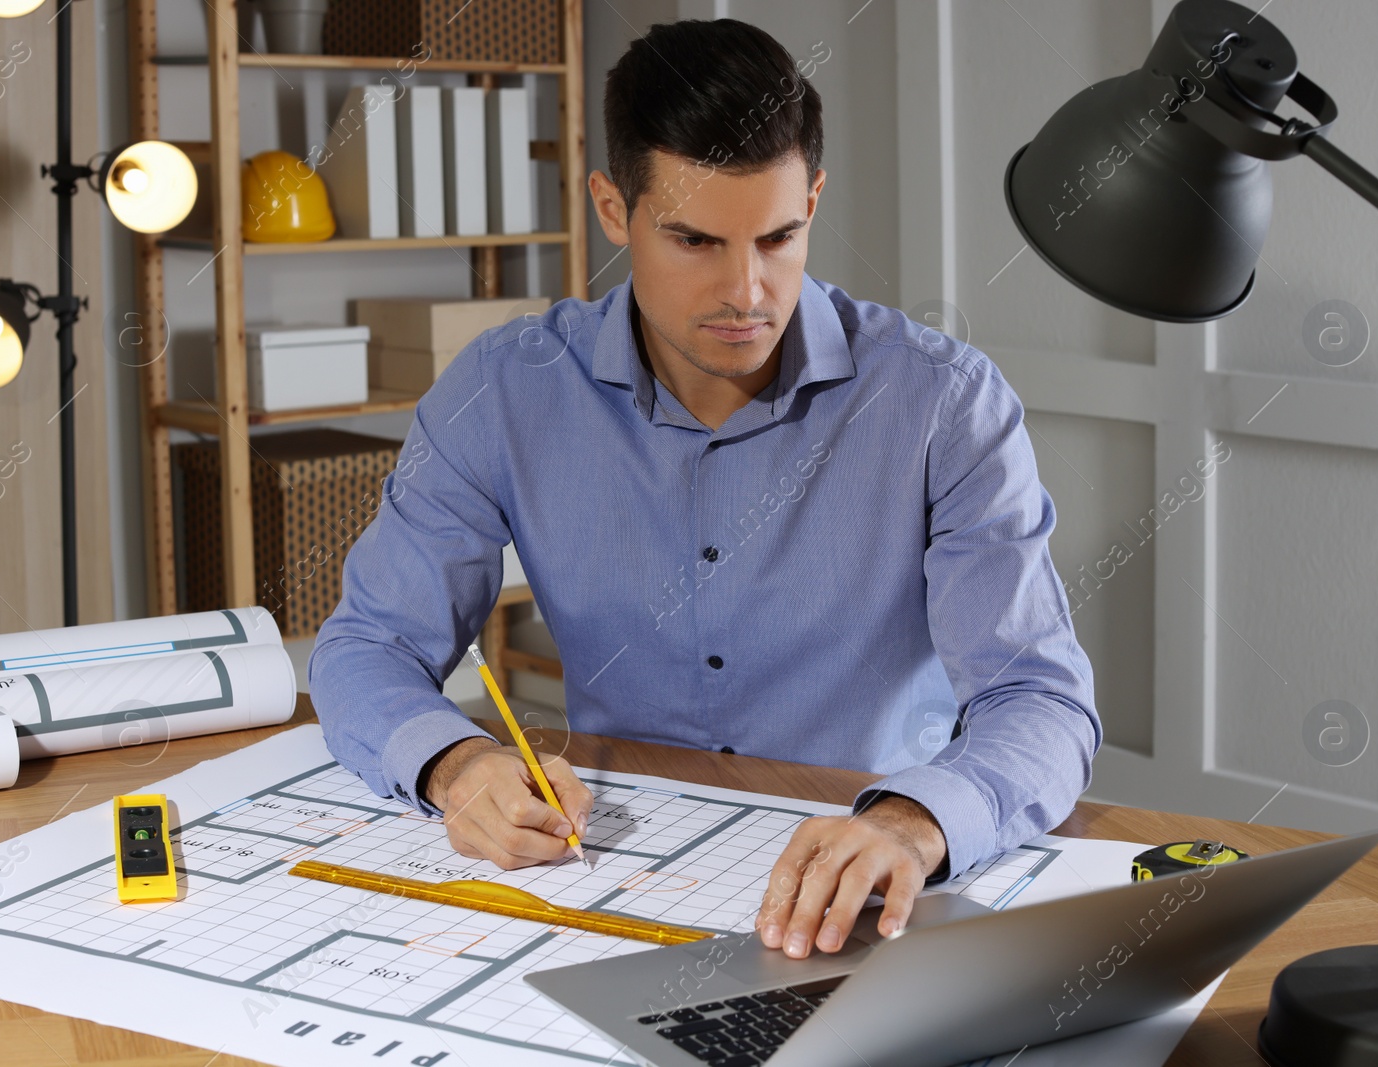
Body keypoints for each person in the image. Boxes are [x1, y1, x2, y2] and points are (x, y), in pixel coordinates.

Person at [310, 17, 1099, 962]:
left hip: (866, 889)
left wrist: (913, 822)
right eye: (694, 239)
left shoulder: (943, 402)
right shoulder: (503, 390)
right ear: (614, 209)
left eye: (779, 237)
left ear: (813, 198)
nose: (748, 291)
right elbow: (367, 645)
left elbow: (1039, 698)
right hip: (607, 878)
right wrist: (455, 762)